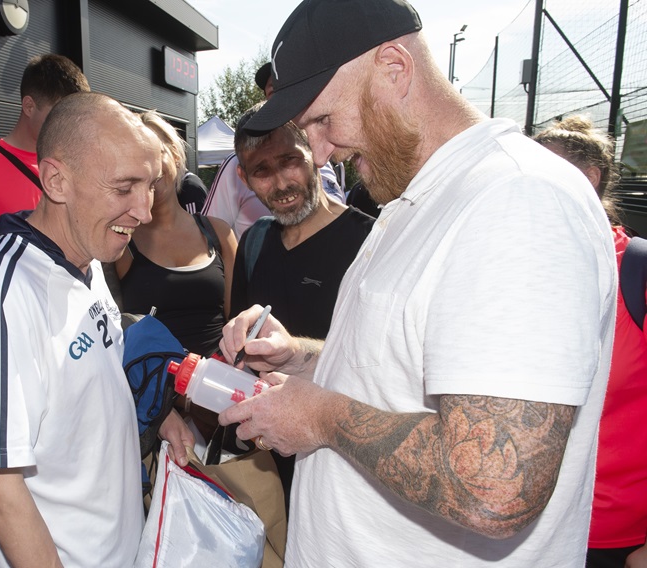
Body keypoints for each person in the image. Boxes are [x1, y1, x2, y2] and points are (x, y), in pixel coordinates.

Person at [218, 0, 617, 566]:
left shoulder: (517, 199)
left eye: (323, 121)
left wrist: (320, 416)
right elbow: (405, 371)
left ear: (394, 69)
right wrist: (303, 359)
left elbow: (496, 487)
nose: (323, 150)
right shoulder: (415, 198)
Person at [0, 92, 194, 568]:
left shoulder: (89, 253)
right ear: (56, 180)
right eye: (124, 188)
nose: (143, 211)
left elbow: (96, 367)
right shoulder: (2, 288)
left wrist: (157, 412)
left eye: (148, 186)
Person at [230, 101, 374, 511]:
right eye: (262, 170)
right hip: (270, 471)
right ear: (244, 177)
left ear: (313, 151)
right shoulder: (255, 242)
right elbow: (240, 352)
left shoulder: (368, 243)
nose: (281, 183)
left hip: (346, 470)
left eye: (290, 161)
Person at [535, 116, 647, 568]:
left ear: (589, 179)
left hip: (616, 542)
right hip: (526, 534)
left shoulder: (637, 272)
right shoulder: (520, 270)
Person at [111, 110, 237, 441]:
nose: (150, 167)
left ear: (176, 153)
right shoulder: (120, 242)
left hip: (220, 406)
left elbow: (238, 324)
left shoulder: (219, 233)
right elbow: (114, 335)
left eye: (156, 151)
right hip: (155, 411)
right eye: (137, 157)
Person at [0, 54, 90, 273]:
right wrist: (18, 267)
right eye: (58, 116)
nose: (68, 127)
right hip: (19, 302)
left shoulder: (76, 161)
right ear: (29, 106)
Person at [201, 62, 344, 240]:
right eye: (273, 94)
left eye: (289, 91)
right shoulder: (237, 164)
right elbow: (209, 236)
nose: (281, 184)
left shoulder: (331, 155)